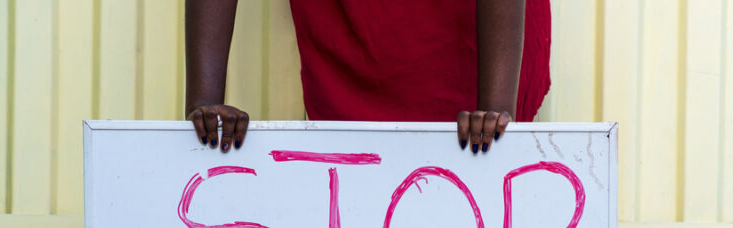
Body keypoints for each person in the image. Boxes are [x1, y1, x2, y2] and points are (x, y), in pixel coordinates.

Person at [185, 0, 550, 154]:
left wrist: (495, 110)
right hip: (355, 40)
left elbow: (493, 124)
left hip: (477, 45)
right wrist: (204, 103)